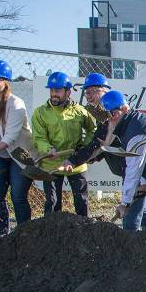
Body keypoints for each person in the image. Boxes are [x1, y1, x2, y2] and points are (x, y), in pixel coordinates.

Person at [63, 73, 146, 230]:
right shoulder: (102, 117)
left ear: (105, 91)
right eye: (87, 93)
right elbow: (102, 146)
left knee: (131, 218)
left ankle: (134, 246)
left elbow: (99, 144)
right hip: (128, 170)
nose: (89, 96)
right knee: (141, 214)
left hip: (135, 171)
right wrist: (90, 157)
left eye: (93, 91)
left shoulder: (114, 113)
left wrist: (73, 161)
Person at [95, 90, 146, 230]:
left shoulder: (137, 131)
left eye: (111, 116)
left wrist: (125, 203)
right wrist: (143, 183)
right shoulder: (129, 123)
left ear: (122, 110)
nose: (109, 120)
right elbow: (143, 161)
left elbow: (134, 168)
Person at [0, 60, 35, 236]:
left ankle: (24, 234)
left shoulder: (16, 104)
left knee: (18, 196)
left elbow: (10, 136)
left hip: (20, 155)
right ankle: (4, 233)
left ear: (6, 82)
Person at [31, 71, 96, 217]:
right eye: (52, 90)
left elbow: (93, 130)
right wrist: (48, 149)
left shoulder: (80, 111)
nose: (54, 94)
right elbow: (38, 138)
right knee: (52, 202)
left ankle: (84, 231)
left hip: (76, 163)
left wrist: (83, 148)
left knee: (82, 201)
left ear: (68, 92)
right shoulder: (40, 113)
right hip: (51, 164)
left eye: (58, 91)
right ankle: (51, 234)